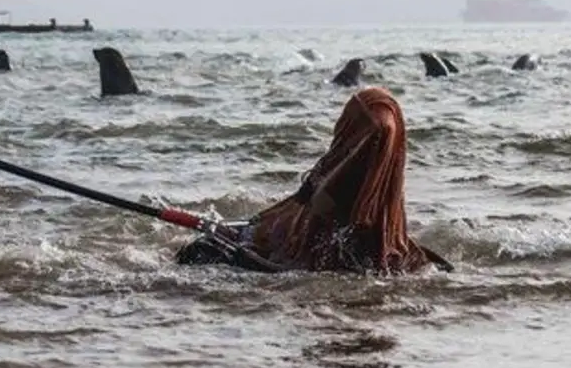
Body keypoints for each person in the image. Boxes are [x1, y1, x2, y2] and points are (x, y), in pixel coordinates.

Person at [175, 86, 451, 274]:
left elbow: (298, 255)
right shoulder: (386, 198)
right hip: (321, 262)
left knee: (197, 251)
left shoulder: (334, 189)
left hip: (295, 265)